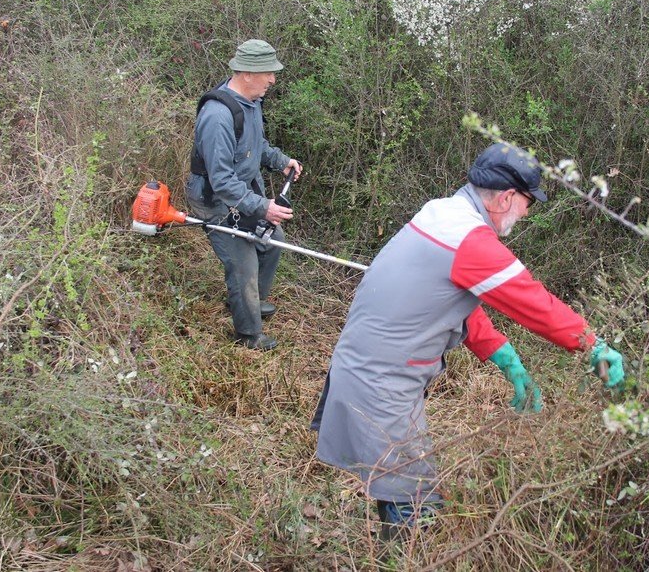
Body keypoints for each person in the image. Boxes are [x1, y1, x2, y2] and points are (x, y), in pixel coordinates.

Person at [310, 142, 625, 536]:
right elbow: (534, 302)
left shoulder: (441, 212)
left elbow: (450, 302)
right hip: (382, 381)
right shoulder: (471, 240)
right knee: (414, 499)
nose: (527, 214)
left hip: (368, 367)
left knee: (400, 486)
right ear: (508, 197)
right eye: (529, 203)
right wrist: (593, 343)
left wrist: (506, 359)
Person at [186, 39, 302, 351]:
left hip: (245, 192)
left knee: (273, 242)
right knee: (243, 265)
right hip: (217, 201)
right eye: (268, 73)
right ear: (248, 73)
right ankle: (249, 334)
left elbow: (255, 144)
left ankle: (251, 302)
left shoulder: (250, 102)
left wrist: (280, 162)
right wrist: (263, 207)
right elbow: (221, 180)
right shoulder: (217, 116)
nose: (273, 79)